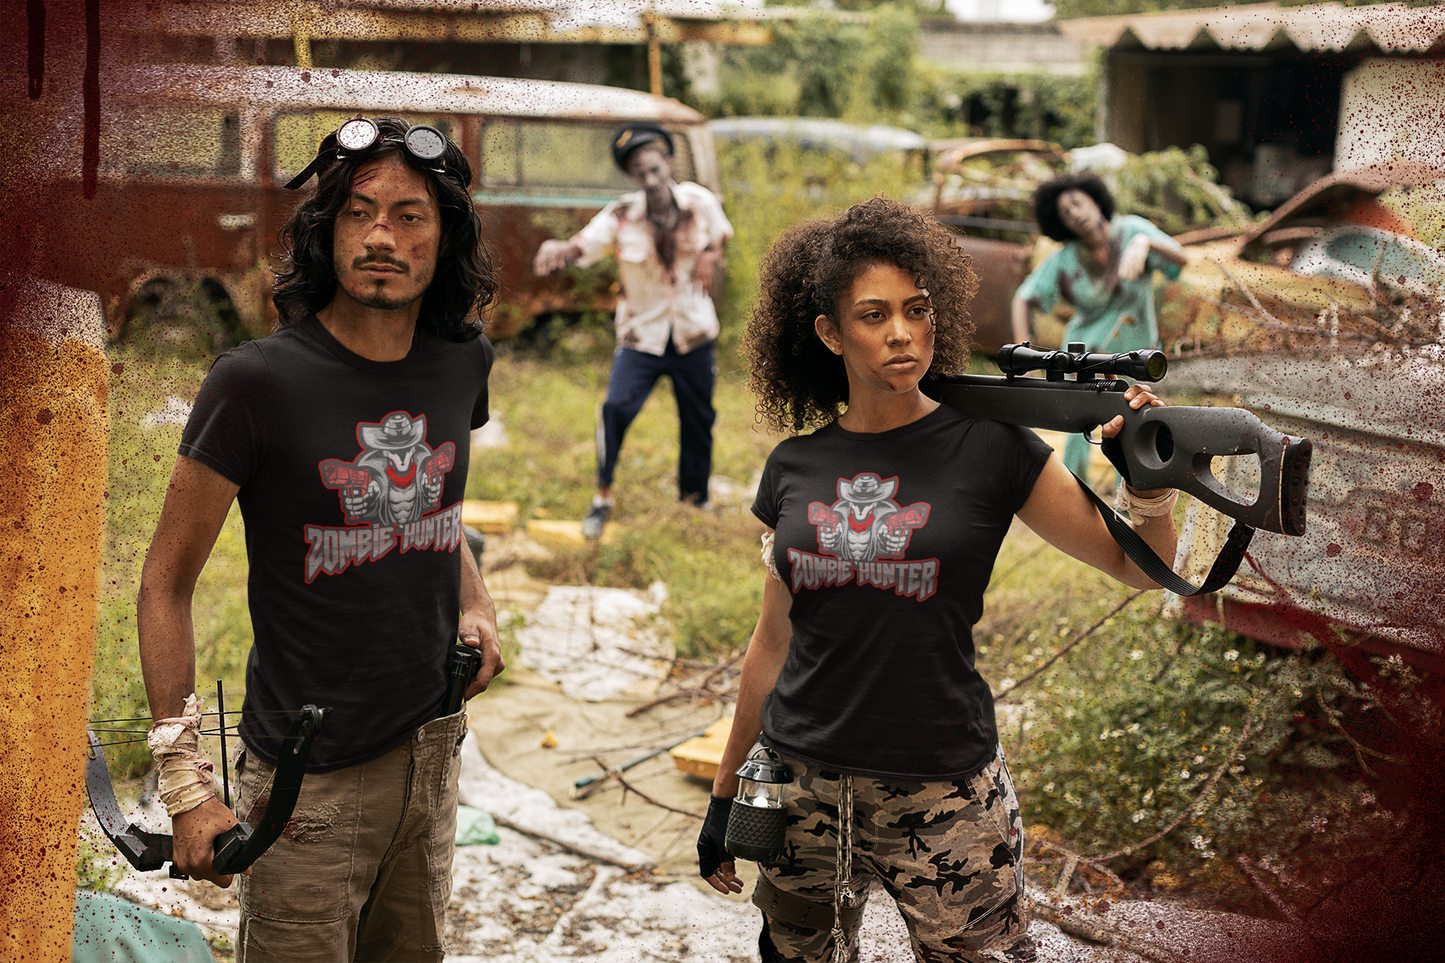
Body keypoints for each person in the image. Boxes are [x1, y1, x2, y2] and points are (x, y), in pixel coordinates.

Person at [695, 198, 1181, 963]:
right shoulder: (793, 466)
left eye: (916, 309)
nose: (900, 332)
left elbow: (1138, 566)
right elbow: (772, 641)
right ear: (829, 333)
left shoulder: (992, 446)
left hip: (945, 791)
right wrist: (725, 791)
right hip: (801, 787)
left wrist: (1149, 487)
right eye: (873, 315)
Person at [136, 117, 505, 962]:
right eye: (358, 212)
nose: (381, 236)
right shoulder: (255, 382)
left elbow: (432, 507)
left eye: (409, 215)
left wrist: (476, 600)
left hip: (432, 750)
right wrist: (186, 785)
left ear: (445, 236)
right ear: (326, 231)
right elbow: (165, 582)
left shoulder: (462, 361)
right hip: (307, 781)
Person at [532, 121, 733, 538]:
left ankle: (694, 499)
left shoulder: (700, 202)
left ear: (669, 163)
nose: (650, 178)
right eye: (640, 172)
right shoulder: (622, 214)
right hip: (642, 337)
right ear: (632, 176)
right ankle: (602, 496)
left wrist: (711, 255)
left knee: (698, 417)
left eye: (655, 168)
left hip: (694, 332)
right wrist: (559, 249)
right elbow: (583, 245)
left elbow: (721, 235)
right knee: (616, 409)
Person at [1010, 172, 1186, 482]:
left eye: (1077, 203)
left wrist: (1146, 243)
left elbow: (1181, 259)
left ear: (1095, 198)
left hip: (1135, 356)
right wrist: (1025, 354)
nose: (1075, 214)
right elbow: (1023, 297)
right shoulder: (1066, 259)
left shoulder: (1133, 231)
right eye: (1065, 213)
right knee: (1079, 427)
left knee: (1137, 425)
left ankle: (1131, 495)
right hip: (1085, 358)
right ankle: (1074, 492)